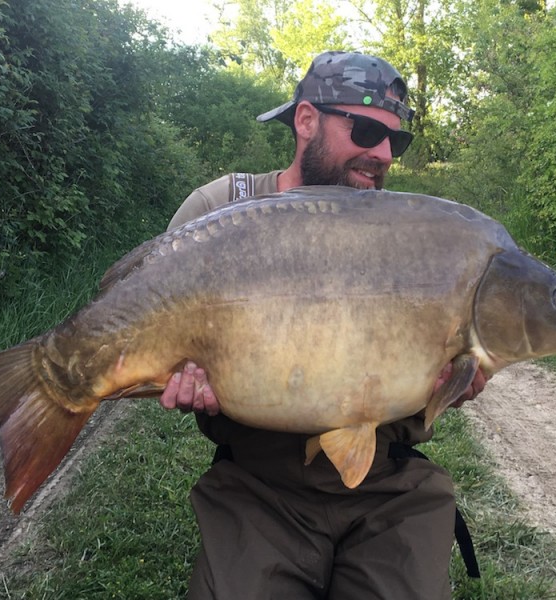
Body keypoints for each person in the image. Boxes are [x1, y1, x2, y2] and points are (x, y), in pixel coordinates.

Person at [160, 51, 486, 599]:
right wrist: (181, 374)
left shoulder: (410, 232)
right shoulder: (218, 210)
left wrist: (454, 384)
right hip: (258, 483)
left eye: (394, 141)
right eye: (364, 129)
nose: (382, 154)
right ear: (306, 121)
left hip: (387, 481)